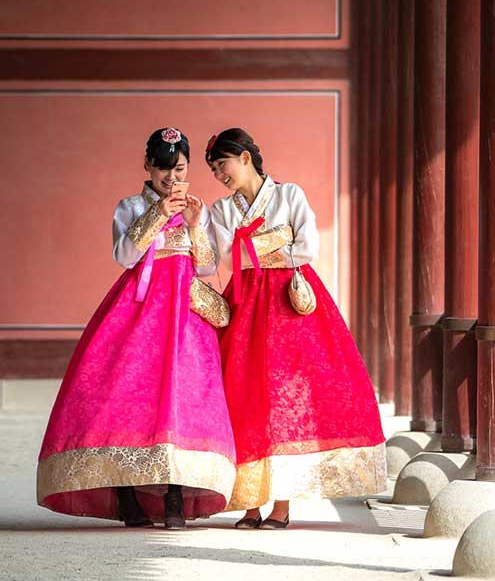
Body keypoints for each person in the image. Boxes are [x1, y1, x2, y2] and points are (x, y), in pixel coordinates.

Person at [37, 127, 235, 529]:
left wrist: (196, 224)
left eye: (178, 169)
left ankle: (175, 496)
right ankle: (127, 496)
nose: (171, 178)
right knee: (125, 397)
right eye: (163, 169)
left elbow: (209, 267)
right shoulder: (129, 206)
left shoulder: (200, 208)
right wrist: (159, 212)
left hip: (185, 314)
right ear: (147, 166)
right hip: (137, 310)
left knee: (183, 400)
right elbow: (124, 255)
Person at [205, 127, 386, 530]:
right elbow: (223, 256)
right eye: (215, 169)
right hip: (246, 304)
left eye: (223, 164)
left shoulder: (290, 195)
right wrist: (276, 240)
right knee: (245, 396)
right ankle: (250, 504)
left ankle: (282, 506)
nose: (219, 174)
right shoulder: (220, 210)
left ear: (246, 157)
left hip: (289, 306)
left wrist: (250, 246)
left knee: (286, 402)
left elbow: (306, 247)